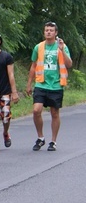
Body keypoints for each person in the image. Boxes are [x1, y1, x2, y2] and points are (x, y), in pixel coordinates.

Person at [26, 22, 72, 152]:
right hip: (41, 83)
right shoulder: (39, 47)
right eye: (46, 30)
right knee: (36, 110)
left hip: (56, 85)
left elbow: (69, 64)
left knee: (54, 113)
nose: (48, 32)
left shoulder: (62, 47)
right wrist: (29, 83)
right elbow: (33, 65)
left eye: (51, 30)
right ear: (44, 32)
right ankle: (40, 137)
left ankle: (53, 141)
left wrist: (62, 50)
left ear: (56, 33)